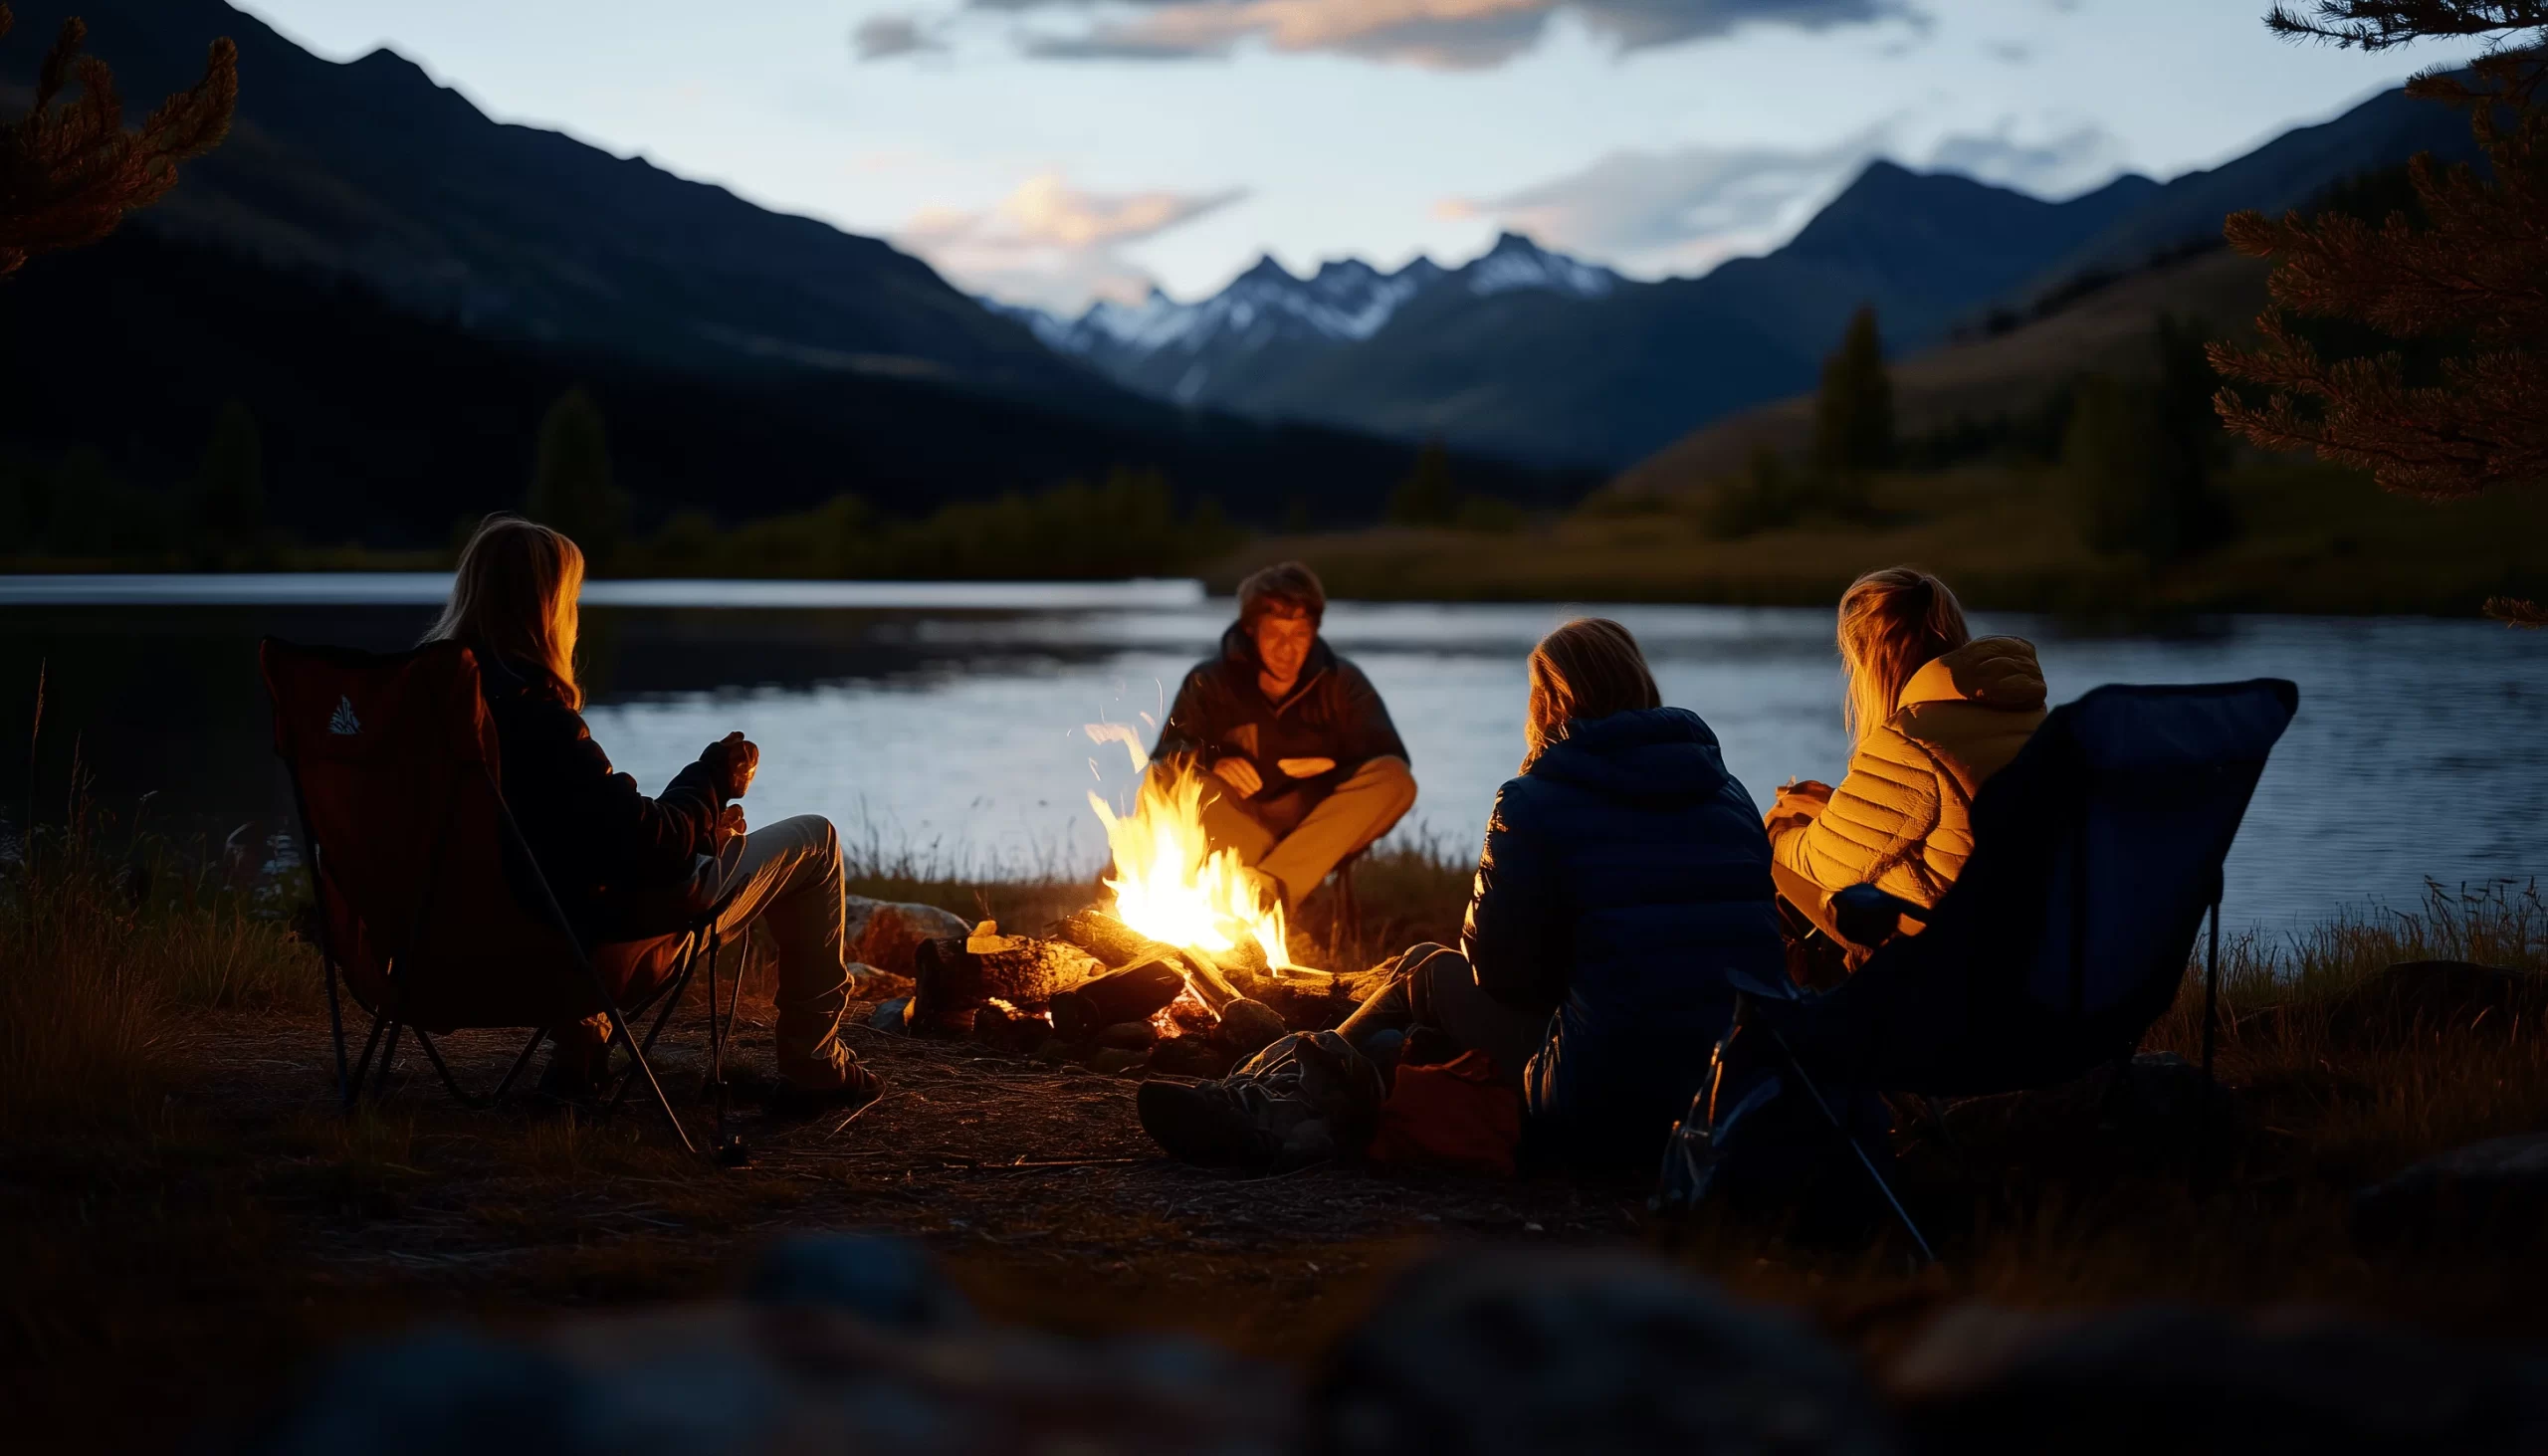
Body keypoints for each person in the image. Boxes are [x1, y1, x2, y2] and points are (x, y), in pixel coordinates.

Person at [1141, 618, 1785, 1169]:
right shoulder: (1731, 797)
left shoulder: (1535, 798)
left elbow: (1495, 970)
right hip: (1735, 1090)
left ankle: (1260, 1094)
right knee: (1409, 1039)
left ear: (1553, 704)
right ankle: (1301, 1090)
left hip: (1604, 1094)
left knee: (1426, 967)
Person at [423, 514, 879, 1107]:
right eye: (572, 602)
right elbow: (652, 848)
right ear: (546, 611)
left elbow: (573, 835)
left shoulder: (423, 714)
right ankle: (815, 1063)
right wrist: (712, 778)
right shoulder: (536, 719)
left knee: (602, 863)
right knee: (815, 840)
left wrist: (699, 822)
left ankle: (583, 1037)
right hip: (567, 953)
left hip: (434, 958)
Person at [1764, 566, 2046, 976]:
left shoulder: (1912, 739)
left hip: (1956, 965)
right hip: (2030, 949)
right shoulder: (2028, 717)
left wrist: (1778, 829)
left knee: (1780, 864)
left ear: (1870, 662)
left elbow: (1818, 865)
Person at [1149, 561, 1415, 912]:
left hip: (1312, 830)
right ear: (1251, 629)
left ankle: (1265, 887)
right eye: (1275, 634)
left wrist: (1336, 770)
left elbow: (1387, 759)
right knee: (1164, 778)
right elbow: (1166, 753)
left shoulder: (1342, 683)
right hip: (1235, 826)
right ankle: (1264, 883)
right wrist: (1212, 759)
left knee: (1396, 780)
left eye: (1299, 635)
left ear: (1315, 632)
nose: (1287, 649)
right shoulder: (1211, 681)